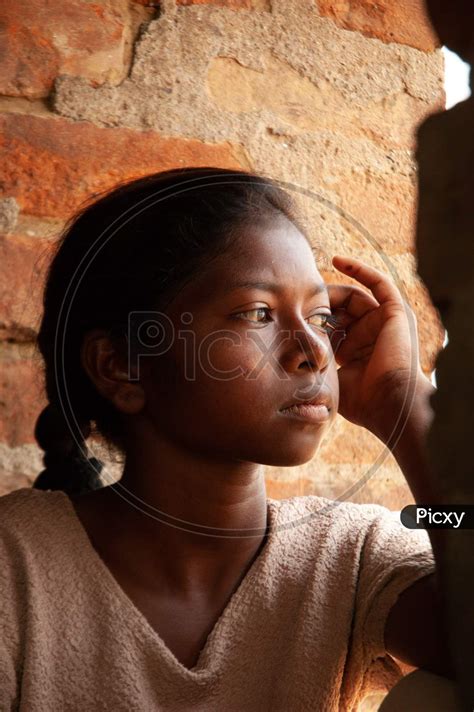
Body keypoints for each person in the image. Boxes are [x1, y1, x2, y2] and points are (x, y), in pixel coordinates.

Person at [0, 168, 453, 711]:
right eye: (258, 313)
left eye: (321, 317)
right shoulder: (16, 567)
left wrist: (404, 402)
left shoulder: (352, 559)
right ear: (120, 365)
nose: (313, 350)